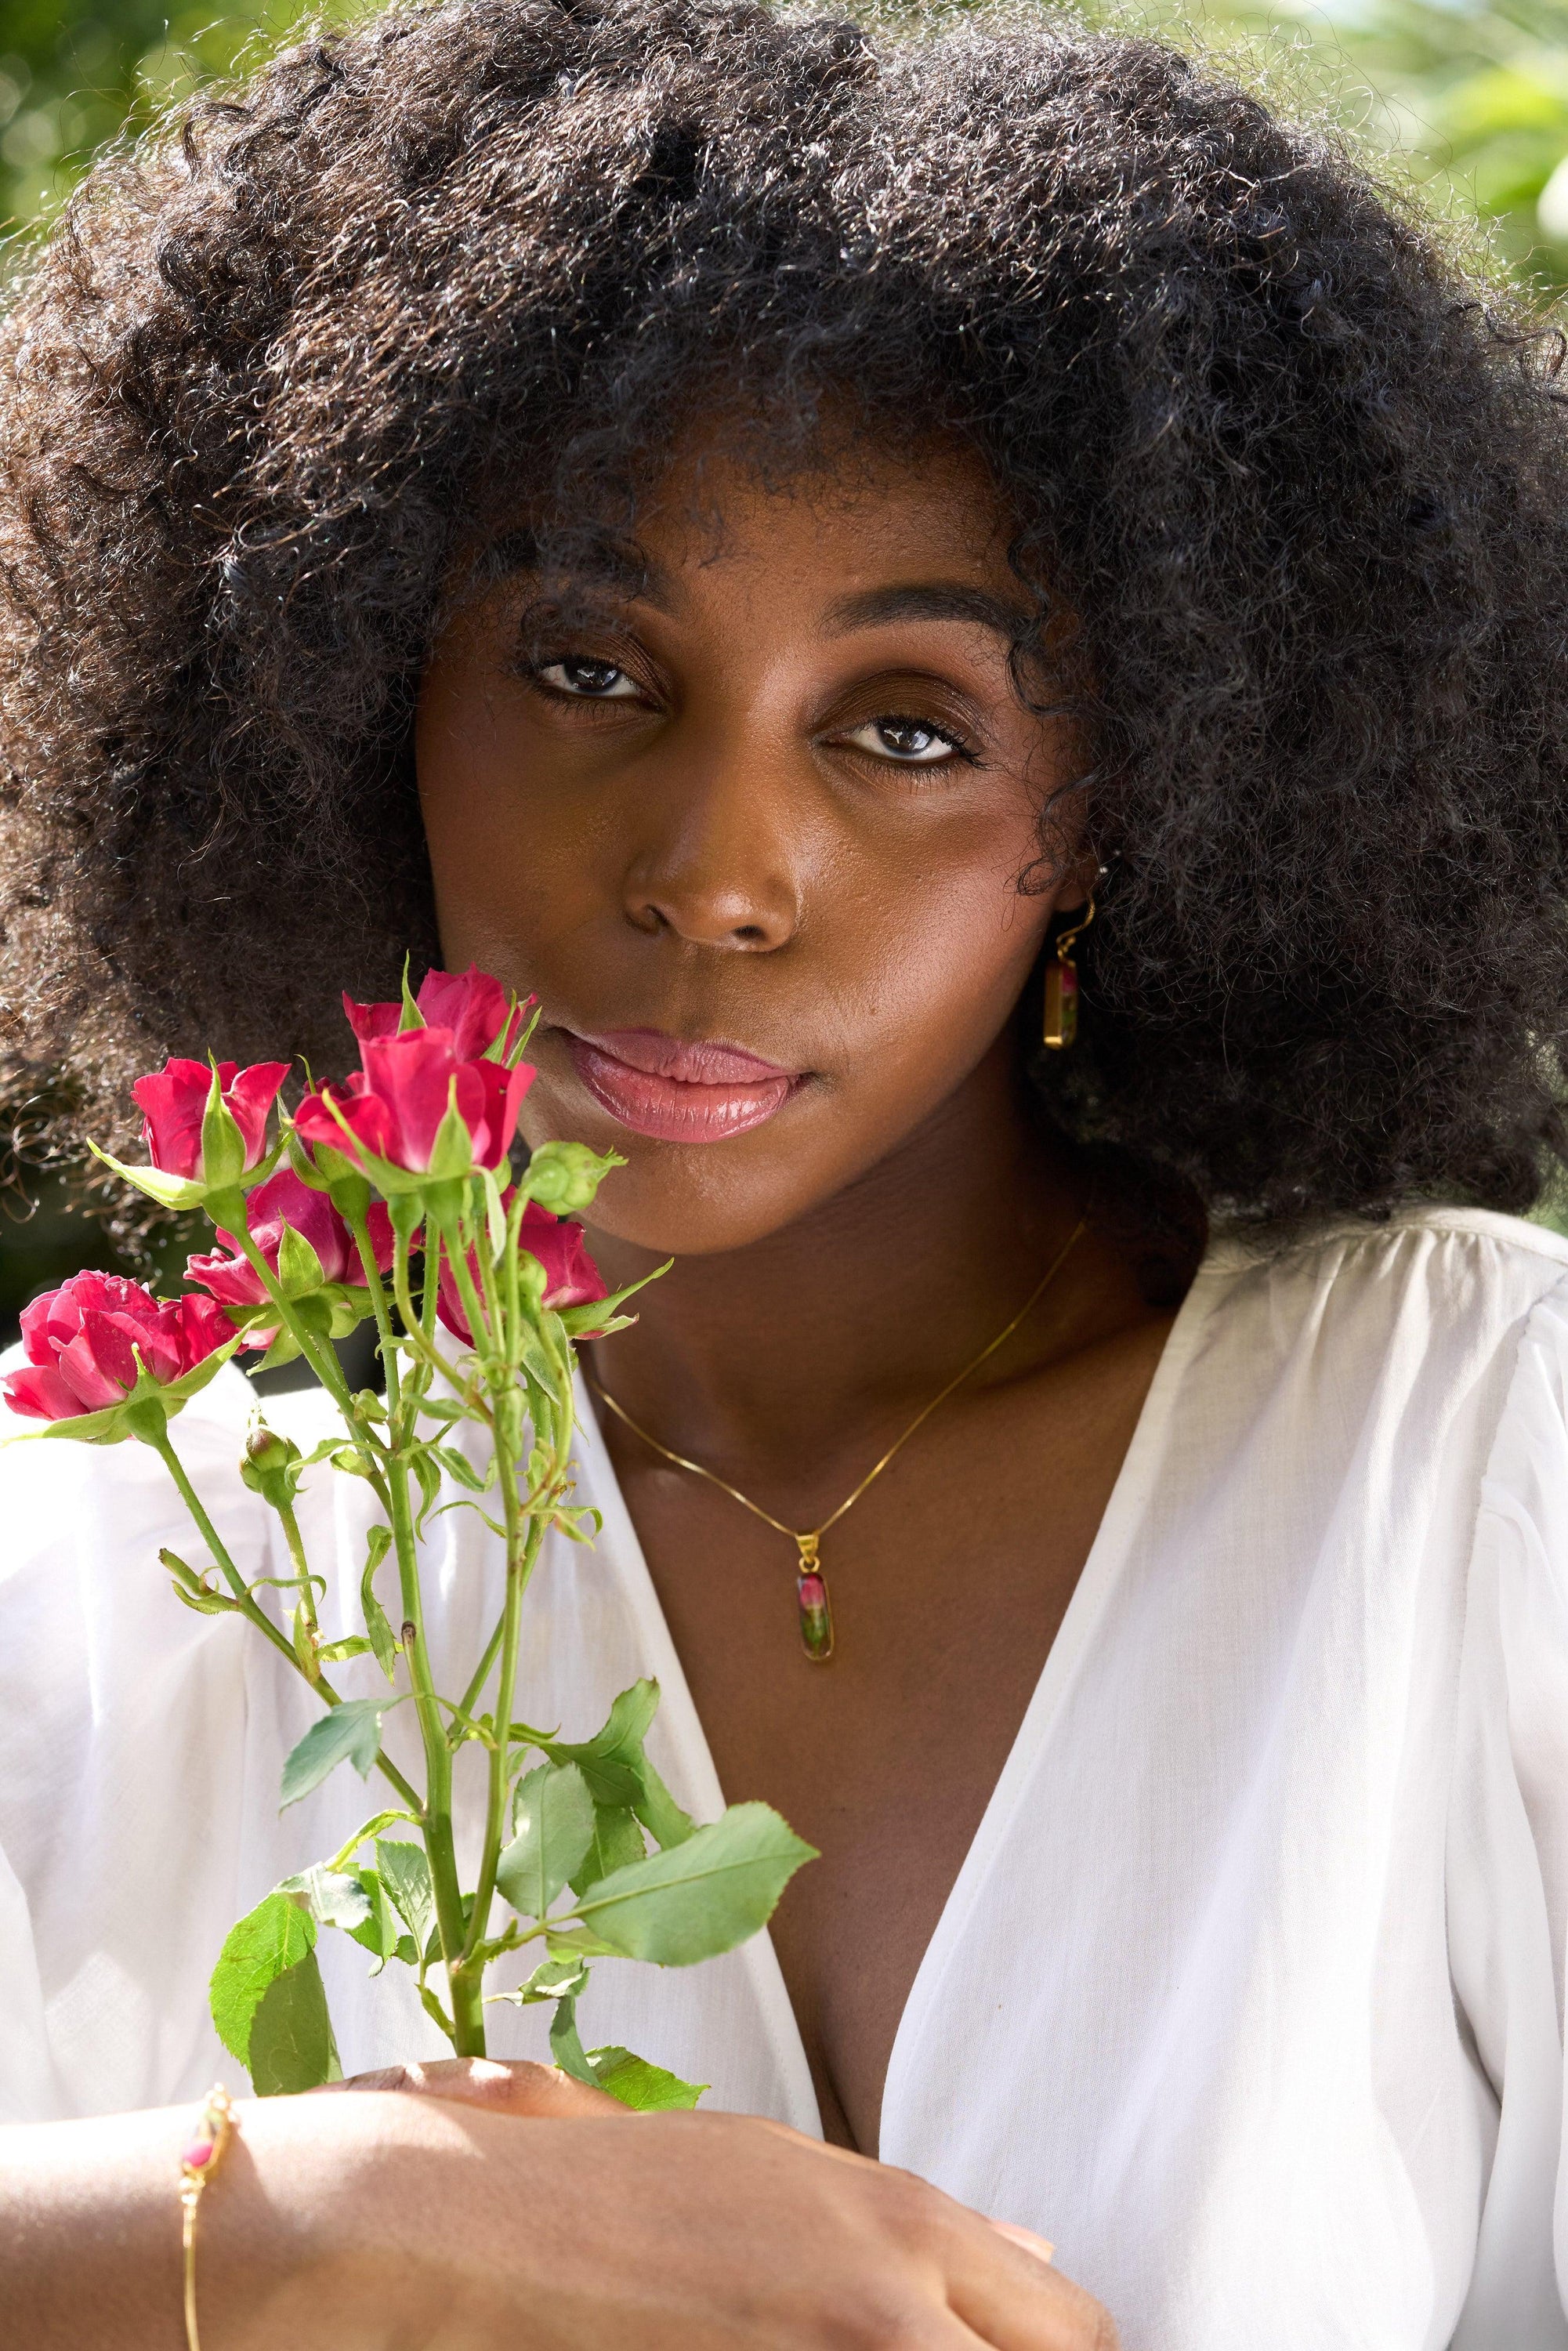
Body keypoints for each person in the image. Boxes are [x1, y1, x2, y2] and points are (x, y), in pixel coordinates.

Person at [2, 0, 1568, 2342]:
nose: (721, 875)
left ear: (1126, 823)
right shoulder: (137, 1561)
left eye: (909, 729)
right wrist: (321, 2217)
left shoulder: (1479, 1467)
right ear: (340, 693)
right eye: (586, 670)